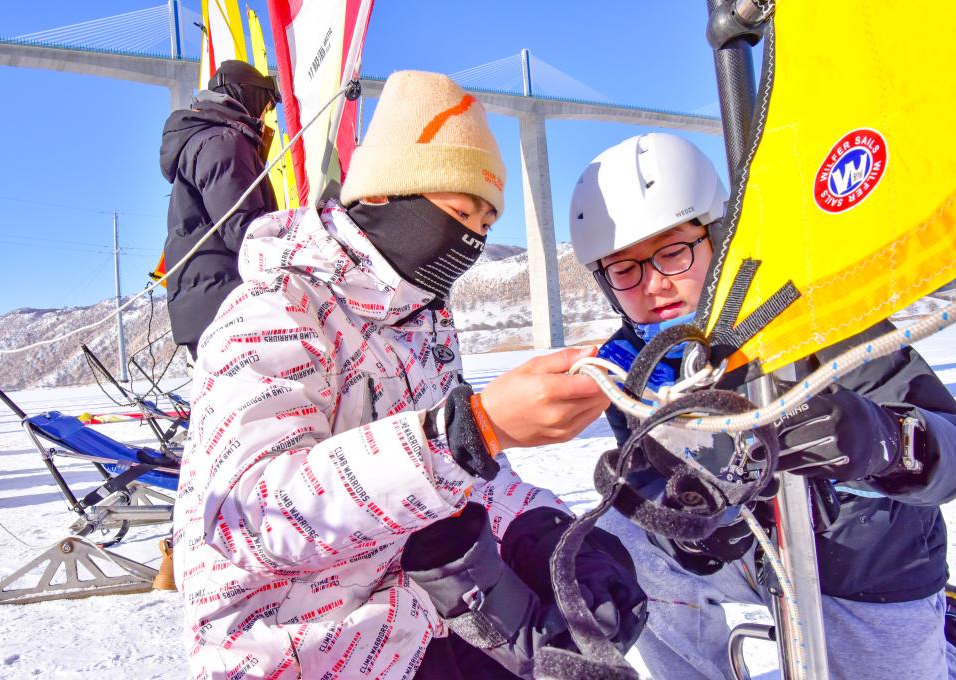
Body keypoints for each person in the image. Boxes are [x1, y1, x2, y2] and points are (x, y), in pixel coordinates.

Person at [172, 71, 647, 680]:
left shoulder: (421, 320)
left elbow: (464, 477)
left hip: (409, 625)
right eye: (460, 211)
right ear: (383, 197)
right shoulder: (273, 310)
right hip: (293, 651)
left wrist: (548, 533)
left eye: (486, 223)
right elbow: (247, 518)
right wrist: (471, 431)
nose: (471, 238)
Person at [568, 132, 956, 679]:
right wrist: (686, 527)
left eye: (672, 252)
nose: (654, 285)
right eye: (625, 269)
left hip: (866, 563)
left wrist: (884, 439)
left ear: (717, 236)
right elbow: (644, 476)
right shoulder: (631, 368)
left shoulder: (815, 321)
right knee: (617, 540)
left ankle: (942, 629)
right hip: (745, 553)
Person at [159, 59, 281, 360]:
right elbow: (244, 229)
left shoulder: (206, 138)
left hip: (208, 299)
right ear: (248, 96)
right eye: (265, 106)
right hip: (227, 302)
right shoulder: (223, 141)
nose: (265, 115)